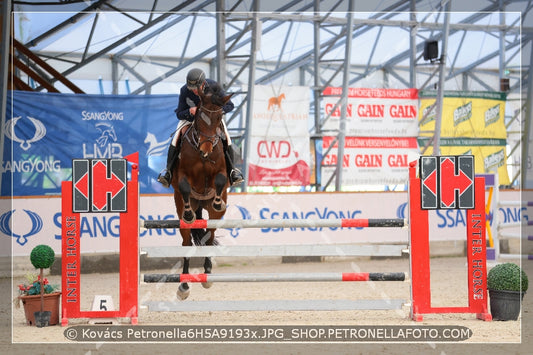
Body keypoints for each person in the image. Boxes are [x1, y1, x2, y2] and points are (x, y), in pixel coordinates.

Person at [157, 68, 245, 188]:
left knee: (227, 138)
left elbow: (230, 105)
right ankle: (168, 172)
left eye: (195, 88)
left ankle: (232, 172)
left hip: (211, 121)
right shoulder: (184, 90)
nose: (193, 91)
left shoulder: (214, 87)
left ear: (203, 83)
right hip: (191, 119)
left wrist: (216, 112)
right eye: (191, 88)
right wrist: (189, 110)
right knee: (175, 138)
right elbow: (179, 113)